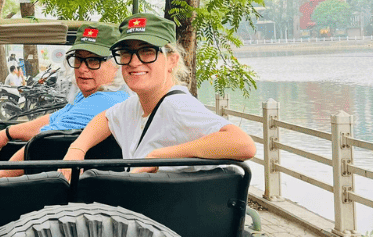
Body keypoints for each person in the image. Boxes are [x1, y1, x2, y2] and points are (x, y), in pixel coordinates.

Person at [61, 13, 256, 176]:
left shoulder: (177, 106)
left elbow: (243, 144)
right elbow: (105, 118)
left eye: (147, 51)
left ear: (172, 61)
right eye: (127, 52)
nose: (134, 62)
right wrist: (76, 150)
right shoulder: (137, 105)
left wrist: (159, 157)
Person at [0, 23, 130, 177]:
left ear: (117, 64)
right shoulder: (94, 94)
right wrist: (7, 133)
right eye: (78, 59)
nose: (82, 68)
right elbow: (54, 118)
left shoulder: (105, 101)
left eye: (94, 60)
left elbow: (42, 140)